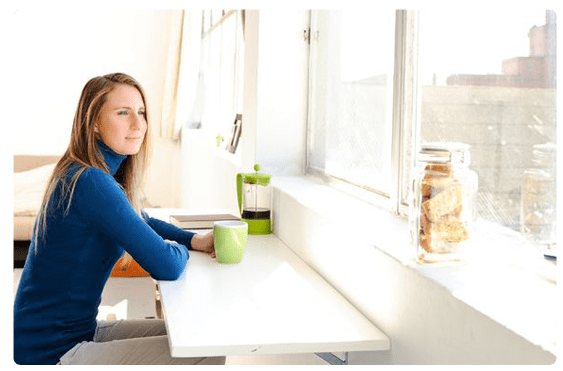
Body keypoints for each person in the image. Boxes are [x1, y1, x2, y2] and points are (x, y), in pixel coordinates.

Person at [13, 73, 225, 365]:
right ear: (95, 123)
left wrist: (193, 239)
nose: (138, 125)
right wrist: (180, 250)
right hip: (51, 353)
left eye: (141, 113)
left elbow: (139, 217)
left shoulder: (85, 173)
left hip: (74, 334)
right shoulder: (90, 182)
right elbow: (168, 266)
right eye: (123, 113)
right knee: (205, 351)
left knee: (193, 337)